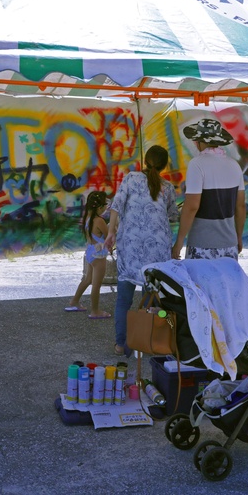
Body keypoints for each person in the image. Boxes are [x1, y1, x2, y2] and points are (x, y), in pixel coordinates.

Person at [104, 145, 179, 356]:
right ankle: (144, 343)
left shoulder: (130, 178)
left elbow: (116, 206)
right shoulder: (168, 188)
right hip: (157, 252)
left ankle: (121, 345)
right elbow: (173, 215)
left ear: (145, 161)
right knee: (151, 299)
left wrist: (111, 233)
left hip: (130, 249)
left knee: (123, 300)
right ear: (165, 165)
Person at [172, 118, 246, 260]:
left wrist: (179, 241)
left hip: (202, 245)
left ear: (200, 141)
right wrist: (239, 237)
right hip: (230, 245)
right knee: (227, 282)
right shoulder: (234, 165)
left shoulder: (197, 164)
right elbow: (240, 206)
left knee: (199, 283)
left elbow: (192, 206)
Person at [66, 190, 111, 319]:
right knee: (96, 285)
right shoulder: (99, 221)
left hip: (90, 252)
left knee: (88, 279)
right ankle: (95, 311)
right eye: (104, 206)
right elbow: (109, 237)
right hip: (98, 256)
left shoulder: (88, 217)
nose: (105, 209)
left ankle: (74, 302)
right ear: (100, 207)